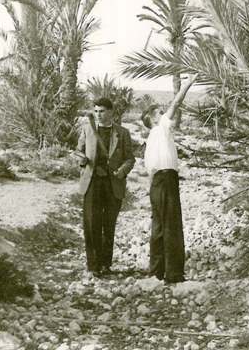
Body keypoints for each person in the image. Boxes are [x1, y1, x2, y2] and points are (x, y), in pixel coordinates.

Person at [141, 74, 198, 284]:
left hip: (157, 184)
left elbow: (149, 172)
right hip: (167, 180)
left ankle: (156, 271)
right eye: (160, 112)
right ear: (154, 118)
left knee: (158, 227)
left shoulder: (151, 140)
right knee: (172, 225)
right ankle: (173, 274)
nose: (165, 114)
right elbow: (176, 103)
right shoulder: (162, 128)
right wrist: (189, 83)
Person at [77, 97, 135, 278]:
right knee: (92, 223)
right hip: (92, 182)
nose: (98, 115)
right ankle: (93, 265)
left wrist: (122, 171)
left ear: (111, 112)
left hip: (113, 184)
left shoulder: (122, 133)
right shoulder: (87, 130)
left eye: (102, 111)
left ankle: (106, 264)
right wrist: (81, 159)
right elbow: (78, 150)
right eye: (95, 111)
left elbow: (130, 158)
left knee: (109, 225)